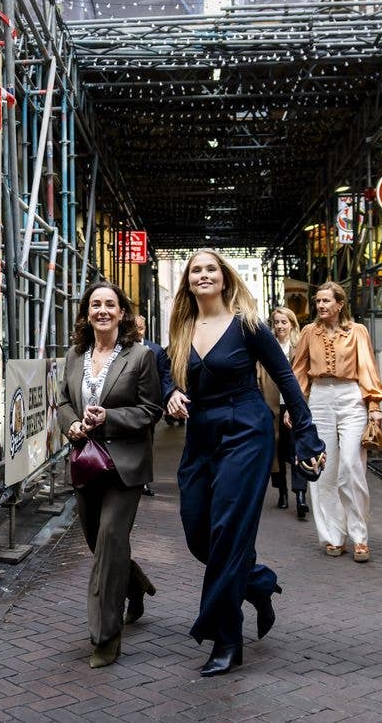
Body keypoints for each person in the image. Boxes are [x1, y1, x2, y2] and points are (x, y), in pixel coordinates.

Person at [165, 250, 325, 677]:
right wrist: (169, 394)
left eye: (210, 269)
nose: (203, 275)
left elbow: (286, 377)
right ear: (188, 282)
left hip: (246, 432)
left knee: (228, 533)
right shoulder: (182, 328)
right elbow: (165, 369)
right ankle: (258, 583)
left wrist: (306, 434)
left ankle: (226, 638)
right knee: (199, 533)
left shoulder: (247, 323)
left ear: (224, 278)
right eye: (195, 270)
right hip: (201, 436)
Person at [56, 282, 163, 668]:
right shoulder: (74, 355)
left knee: (109, 541)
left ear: (121, 313)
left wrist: (110, 418)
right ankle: (137, 586)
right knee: (100, 544)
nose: (102, 310)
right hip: (87, 463)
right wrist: (71, 425)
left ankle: (105, 638)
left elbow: (151, 409)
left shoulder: (140, 356)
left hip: (125, 466)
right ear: (87, 313)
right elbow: (64, 401)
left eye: (110, 305)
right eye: (95, 304)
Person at [291, 281, 382, 563]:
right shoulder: (309, 332)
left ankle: (360, 537)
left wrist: (374, 405)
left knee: (351, 467)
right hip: (319, 398)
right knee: (324, 470)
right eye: (318, 301)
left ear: (340, 304)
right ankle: (333, 536)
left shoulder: (357, 332)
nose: (320, 305)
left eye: (326, 301)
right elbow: (298, 372)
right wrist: (295, 409)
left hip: (351, 396)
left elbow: (367, 367)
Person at [258, 306, 308, 520]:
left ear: (292, 324)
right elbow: (258, 375)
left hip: (294, 405)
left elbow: (306, 376)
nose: (280, 326)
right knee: (276, 451)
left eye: (284, 322)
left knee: (298, 449)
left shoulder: (299, 347)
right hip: (272, 405)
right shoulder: (267, 347)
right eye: (276, 322)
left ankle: (300, 496)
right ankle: (282, 491)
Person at [136, 313, 175, 494]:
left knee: (146, 444)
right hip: (124, 407)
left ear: (145, 329)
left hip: (148, 408)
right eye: (133, 327)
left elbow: (165, 377)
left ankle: (143, 481)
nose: (137, 331)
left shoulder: (156, 351)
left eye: (140, 328)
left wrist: (169, 397)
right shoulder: (119, 348)